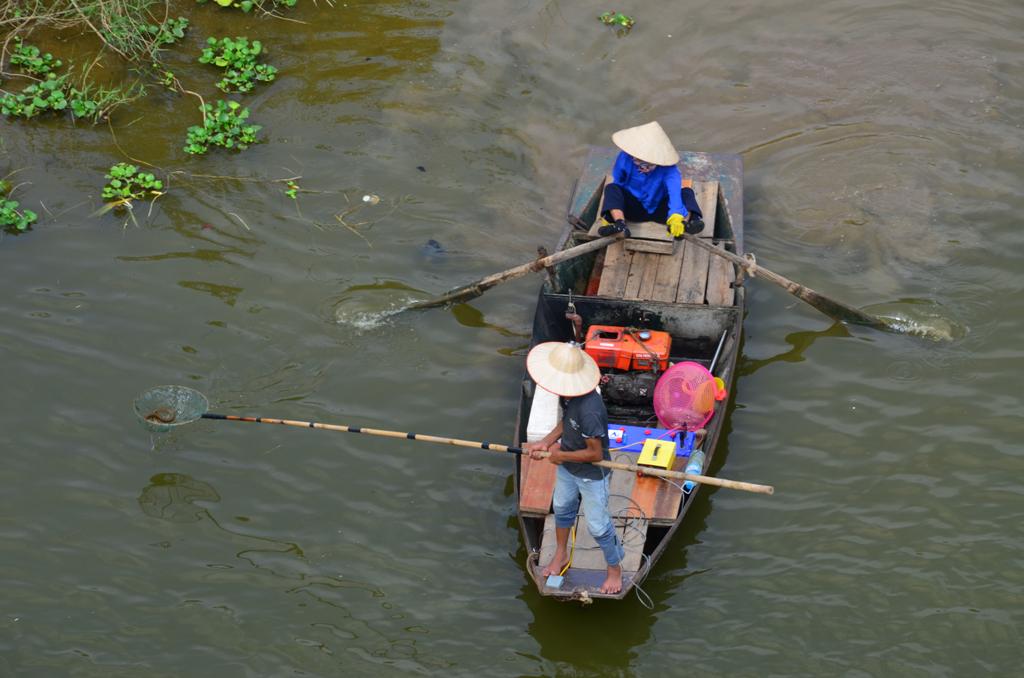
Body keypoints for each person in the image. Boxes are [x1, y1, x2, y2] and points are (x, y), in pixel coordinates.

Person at [522, 341, 626, 594]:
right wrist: (545, 443)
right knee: (561, 508)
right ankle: (560, 553)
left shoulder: (590, 410)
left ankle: (615, 570)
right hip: (568, 468)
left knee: (598, 526)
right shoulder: (570, 396)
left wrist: (561, 456)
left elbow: (595, 453)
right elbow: (565, 423)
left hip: (592, 475)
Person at [597, 120, 705, 240]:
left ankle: (685, 224)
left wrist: (675, 216)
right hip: (634, 210)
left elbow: (674, 195)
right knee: (611, 188)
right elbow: (618, 182)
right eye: (638, 162)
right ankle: (619, 224)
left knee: (686, 192)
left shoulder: (670, 171)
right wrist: (618, 203)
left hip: (660, 211)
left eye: (648, 164)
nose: (643, 167)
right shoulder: (624, 158)